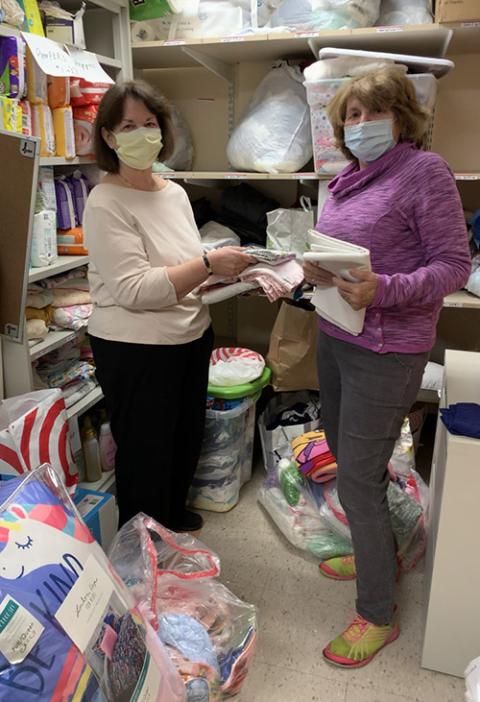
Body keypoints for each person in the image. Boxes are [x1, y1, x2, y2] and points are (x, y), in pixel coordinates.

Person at [303, 66, 471, 669]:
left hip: (387, 349)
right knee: (353, 465)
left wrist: (385, 290)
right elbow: (341, 256)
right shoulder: (347, 180)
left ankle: (377, 611)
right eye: (351, 114)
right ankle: (381, 552)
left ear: (403, 119)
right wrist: (307, 272)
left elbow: (453, 264)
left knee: (359, 478)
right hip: (336, 335)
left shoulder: (423, 172)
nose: (362, 124)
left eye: (376, 112)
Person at [83, 80, 254, 531]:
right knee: (145, 449)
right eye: (128, 125)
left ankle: (171, 514)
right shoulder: (105, 201)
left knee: (183, 436)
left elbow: (183, 267)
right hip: (135, 347)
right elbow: (135, 289)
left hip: (191, 335)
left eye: (150, 123)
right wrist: (208, 263)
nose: (142, 133)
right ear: (108, 137)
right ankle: (141, 544)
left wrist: (235, 272)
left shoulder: (174, 192)